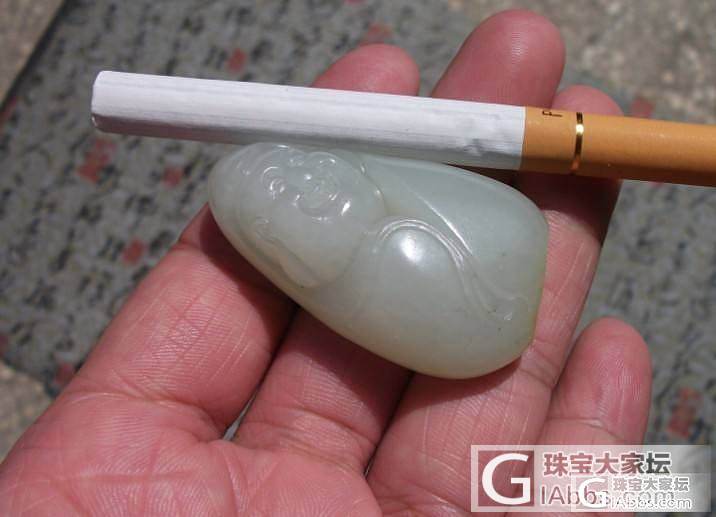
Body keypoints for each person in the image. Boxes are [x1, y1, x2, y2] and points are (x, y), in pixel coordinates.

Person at [0, 9, 652, 515]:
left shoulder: (400, 242)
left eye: (304, 181)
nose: (303, 188)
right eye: (288, 197)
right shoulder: (347, 257)